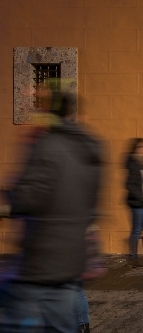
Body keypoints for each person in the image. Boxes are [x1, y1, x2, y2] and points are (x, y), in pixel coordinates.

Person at [0, 89, 103, 333]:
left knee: (15, 310)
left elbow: (28, 197)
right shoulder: (91, 146)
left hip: (42, 256)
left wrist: (9, 198)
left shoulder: (47, 144)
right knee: (61, 322)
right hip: (73, 256)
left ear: (49, 112)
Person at [125, 137, 143, 267]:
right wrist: (140, 198)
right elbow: (129, 184)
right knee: (137, 230)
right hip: (138, 203)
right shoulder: (134, 164)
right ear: (139, 149)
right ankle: (133, 257)